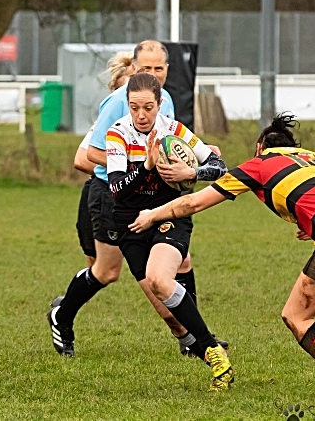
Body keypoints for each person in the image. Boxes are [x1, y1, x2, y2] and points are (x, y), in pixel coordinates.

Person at [130, 113, 315, 401]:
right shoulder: (313, 157)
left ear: (260, 148)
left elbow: (193, 202)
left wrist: (152, 215)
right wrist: (311, 223)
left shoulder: (259, 164)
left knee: (297, 316)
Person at [49, 40, 226, 359]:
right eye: (146, 68)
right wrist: (136, 165)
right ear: (133, 69)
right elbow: (89, 154)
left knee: (181, 260)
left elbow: (169, 140)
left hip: (154, 192)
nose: (153, 74)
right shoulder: (119, 102)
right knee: (108, 271)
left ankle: (196, 340)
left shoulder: (165, 100)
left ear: (167, 70)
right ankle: (61, 316)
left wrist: (194, 155)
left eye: (159, 68)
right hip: (114, 194)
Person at [106, 72, 233, 390]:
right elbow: (118, 191)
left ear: (160, 104)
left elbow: (220, 168)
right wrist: (147, 166)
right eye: (134, 107)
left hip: (168, 216)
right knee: (168, 313)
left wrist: (193, 171)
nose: (141, 115)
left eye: (148, 107)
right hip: (130, 224)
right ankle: (200, 344)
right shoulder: (117, 134)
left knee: (160, 280)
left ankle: (214, 353)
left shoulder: (175, 131)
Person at [73, 51, 135, 267]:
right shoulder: (106, 122)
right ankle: (74, 296)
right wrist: (126, 166)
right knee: (98, 262)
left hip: (133, 196)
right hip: (102, 192)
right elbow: (82, 160)